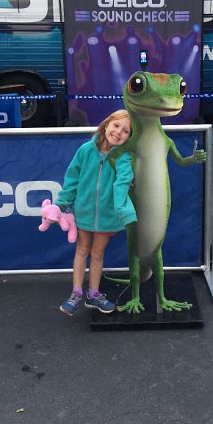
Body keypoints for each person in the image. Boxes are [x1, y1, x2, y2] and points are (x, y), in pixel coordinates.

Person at [55, 109, 137, 316]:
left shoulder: (123, 156)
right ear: (106, 124)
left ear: (129, 137)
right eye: (116, 125)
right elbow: (72, 180)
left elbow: (124, 180)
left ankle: (93, 294)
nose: (118, 132)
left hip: (108, 216)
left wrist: (123, 207)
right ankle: (76, 293)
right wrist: (61, 205)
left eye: (126, 131)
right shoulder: (85, 150)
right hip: (84, 212)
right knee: (82, 249)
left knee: (98, 253)